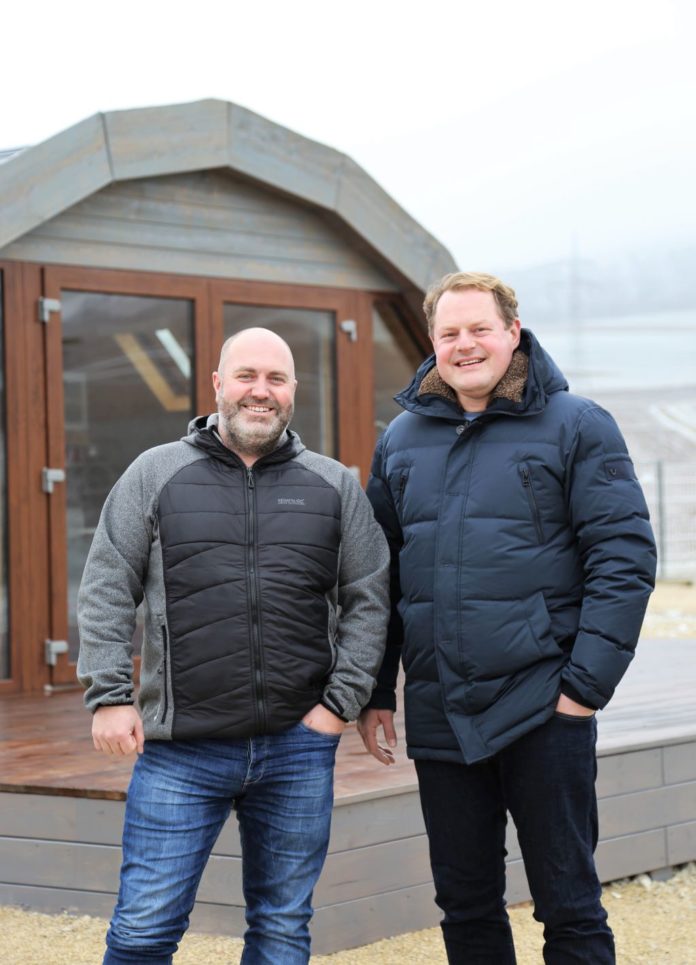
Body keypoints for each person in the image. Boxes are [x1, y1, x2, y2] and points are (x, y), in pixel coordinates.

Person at [358, 272, 657, 964]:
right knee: (465, 908)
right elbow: (380, 577)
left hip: (543, 707)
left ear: (513, 332)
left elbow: (623, 558)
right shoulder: (401, 439)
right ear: (432, 342)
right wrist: (376, 691)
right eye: (449, 333)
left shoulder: (577, 424)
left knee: (570, 907)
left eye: (479, 329)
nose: (464, 345)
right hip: (441, 713)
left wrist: (583, 690)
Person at [77, 327, 389, 965]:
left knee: (282, 932)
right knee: (142, 933)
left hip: (297, 749)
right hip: (180, 751)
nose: (260, 391)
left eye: (276, 379)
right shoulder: (155, 473)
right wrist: (109, 695)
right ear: (218, 384)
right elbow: (107, 585)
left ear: (293, 391)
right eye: (247, 375)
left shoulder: (332, 484)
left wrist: (340, 706)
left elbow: (370, 598)